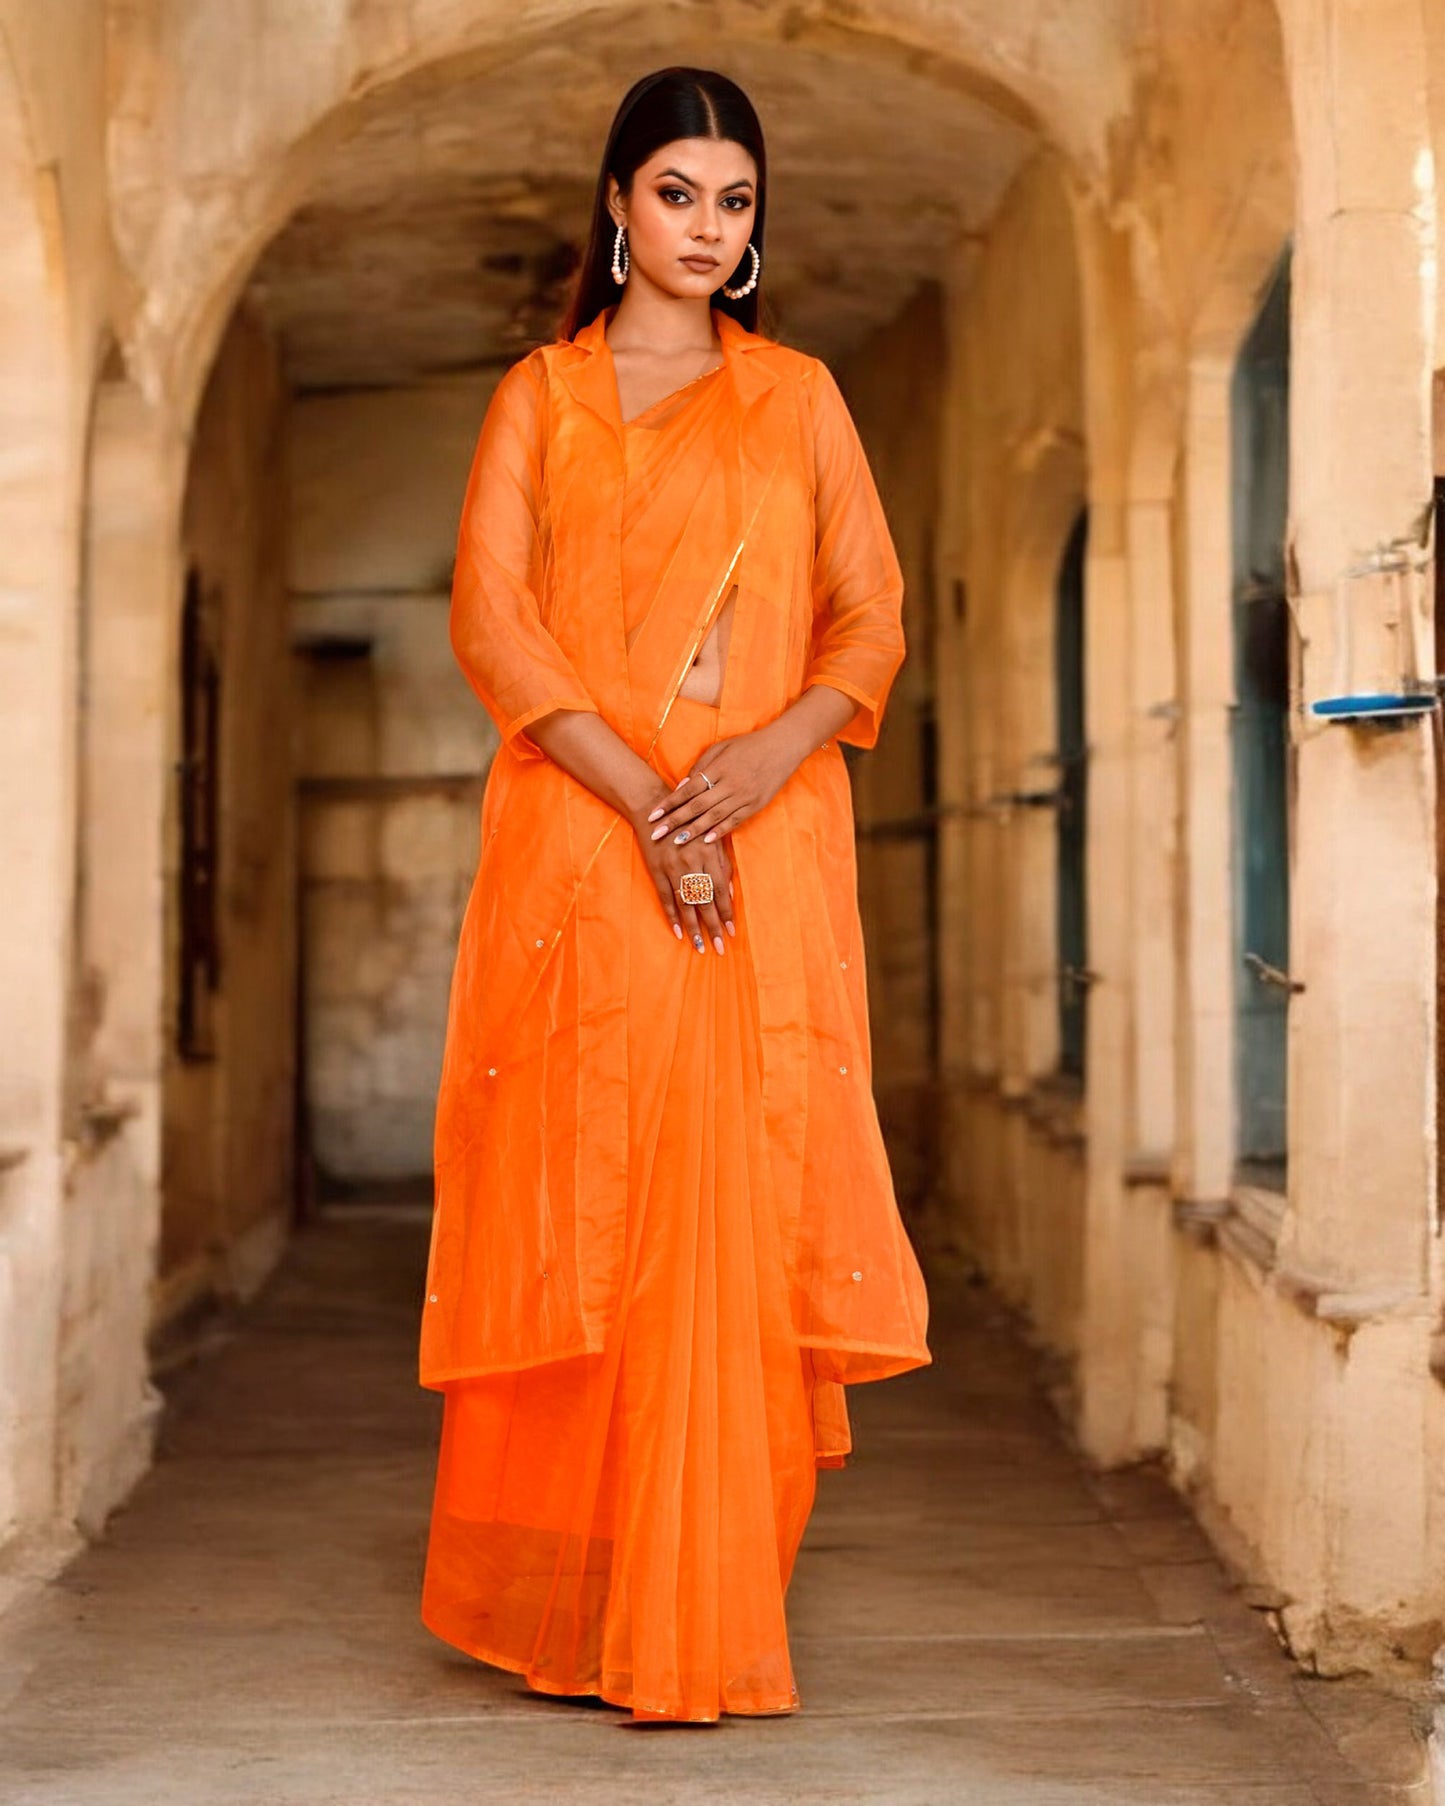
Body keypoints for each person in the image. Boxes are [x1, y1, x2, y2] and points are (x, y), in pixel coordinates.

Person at [419, 63, 930, 1724]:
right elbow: (496, 627)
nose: (707, 228)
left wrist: (766, 761)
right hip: (589, 839)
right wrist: (651, 799)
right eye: (676, 194)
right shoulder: (541, 400)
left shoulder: (799, 399)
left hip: (761, 843)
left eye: (733, 200)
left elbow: (868, 618)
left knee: (730, 1201)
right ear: (615, 205)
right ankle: (587, 1588)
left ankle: (701, 1600)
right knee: (598, 1204)